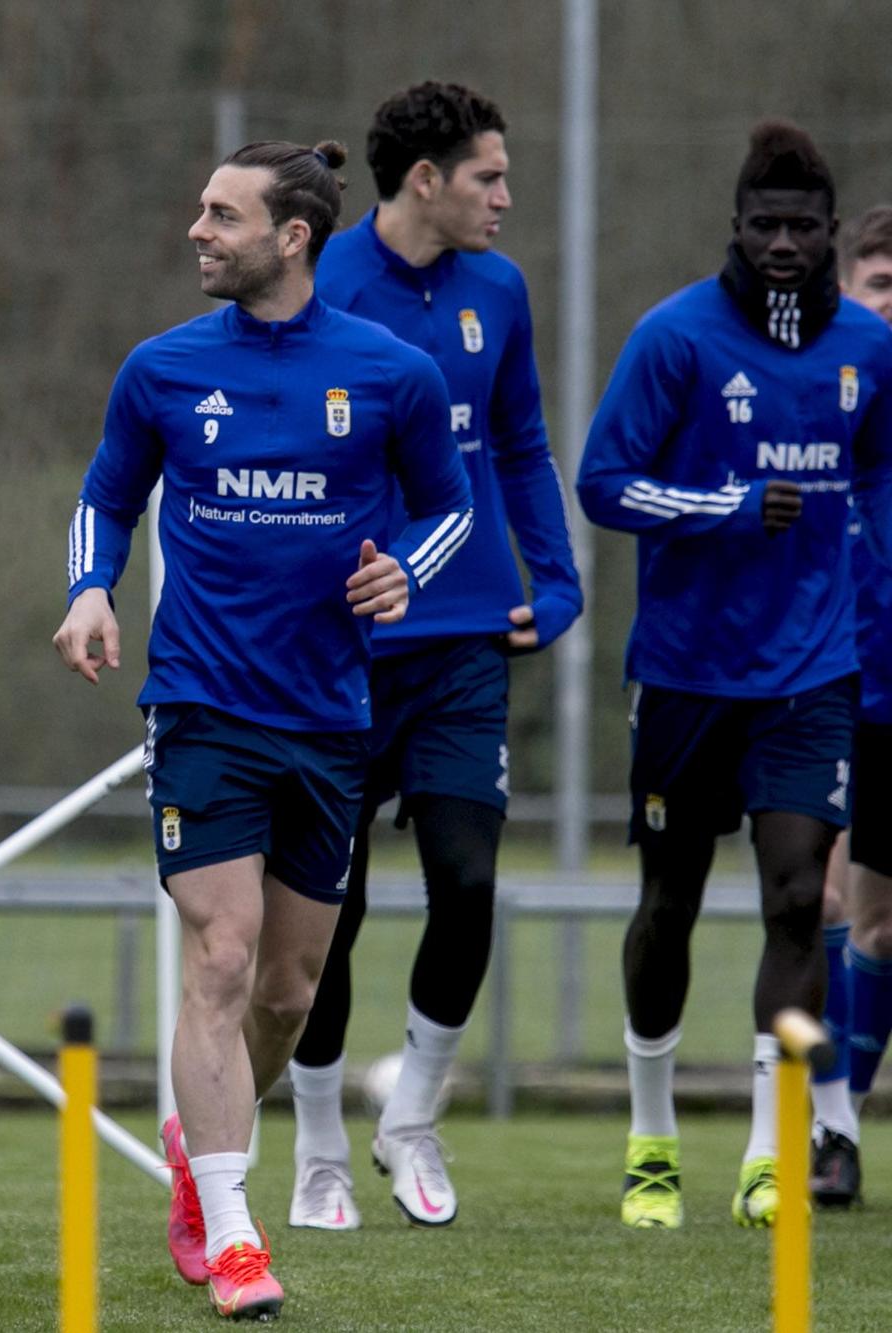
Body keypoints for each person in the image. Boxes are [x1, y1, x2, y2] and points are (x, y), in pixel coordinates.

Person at [53, 139, 471, 1320]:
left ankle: (204, 1151)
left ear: (290, 237)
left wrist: (403, 574)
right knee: (220, 955)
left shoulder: (388, 373)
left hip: (330, 718)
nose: (196, 229)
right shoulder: (161, 369)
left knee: (286, 990)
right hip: (199, 705)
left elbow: (448, 506)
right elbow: (103, 496)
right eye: (197, 209)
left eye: (220, 214)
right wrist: (89, 585)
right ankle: (236, 1234)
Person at [577, 121, 892, 1230]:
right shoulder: (675, 337)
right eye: (763, 224)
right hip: (684, 671)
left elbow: (872, 466)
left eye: (802, 226)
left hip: (810, 671)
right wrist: (715, 506)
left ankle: (768, 1151)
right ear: (735, 225)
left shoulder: (865, 345)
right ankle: (650, 1141)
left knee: (802, 897)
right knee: (667, 904)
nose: (781, 243)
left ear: (824, 232)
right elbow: (601, 482)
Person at [283, 81, 581, 1232]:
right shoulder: (324, 284)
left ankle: (407, 1115)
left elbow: (517, 442)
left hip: (461, 641)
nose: (504, 196)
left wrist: (552, 583)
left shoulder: (496, 291)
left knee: (464, 884)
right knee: (331, 909)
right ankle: (314, 1145)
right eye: (487, 177)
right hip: (341, 652)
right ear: (426, 181)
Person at [811, 202, 892, 1207]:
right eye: (878, 287)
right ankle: (836, 1130)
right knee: (844, 909)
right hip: (836, 683)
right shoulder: (820, 398)